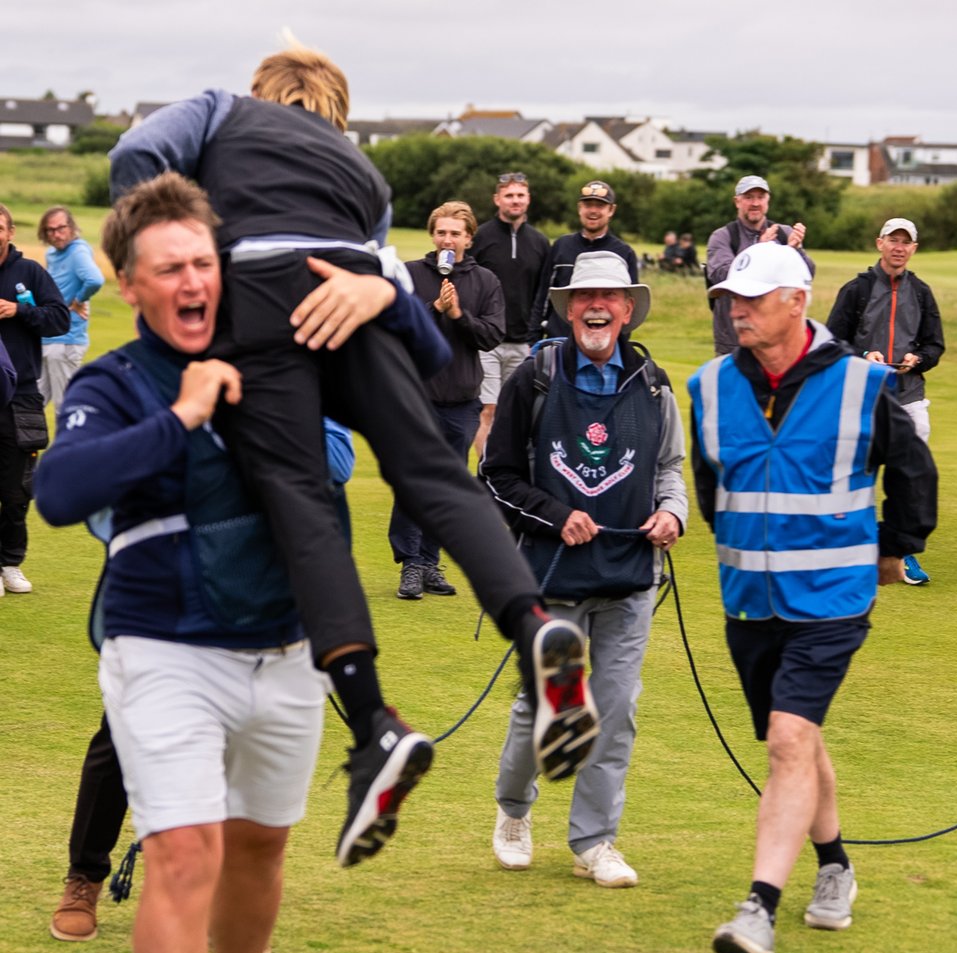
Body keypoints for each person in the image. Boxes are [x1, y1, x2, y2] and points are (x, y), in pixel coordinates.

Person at [109, 41, 600, 823]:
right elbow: (429, 343)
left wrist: (163, 249)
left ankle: (373, 721)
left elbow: (137, 153)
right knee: (436, 477)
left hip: (263, 292)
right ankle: (535, 630)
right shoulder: (363, 172)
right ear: (336, 109)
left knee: (302, 505)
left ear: (262, 93)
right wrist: (379, 294)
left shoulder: (218, 110)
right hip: (353, 293)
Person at [35, 174, 328, 953]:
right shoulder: (113, 384)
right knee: (183, 854)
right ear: (129, 284)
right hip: (161, 646)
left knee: (260, 850)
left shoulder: (272, 364)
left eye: (204, 262)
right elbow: (61, 492)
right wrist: (186, 415)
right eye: (172, 268)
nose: (194, 280)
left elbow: (339, 454)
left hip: (285, 646)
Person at [688, 242, 937, 953]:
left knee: (788, 740)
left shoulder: (863, 383)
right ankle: (836, 863)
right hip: (748, 600)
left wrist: (894, 545)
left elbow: (913, 473)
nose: (737, 310)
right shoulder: (707, 385)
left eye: (753, 299)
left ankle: (757, 909)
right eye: (731, 299)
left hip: (832, 597)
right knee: (796, 735)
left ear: (797, 302)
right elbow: (712, 487)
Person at [49, 420, 356, 943]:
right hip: (163, 597)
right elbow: (95, 489)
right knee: (118, 744)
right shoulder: (150, 377)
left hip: (258, 598)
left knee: (239, 755)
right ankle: (84, 878)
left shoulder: (294, 376)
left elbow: (337, 460)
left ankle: (223, 901)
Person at [482, 251, 687, 886]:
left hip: (629, 575)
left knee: (615, 709)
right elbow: (497, 475)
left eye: (610, 296)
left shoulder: (654, 382)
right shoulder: (535, 376)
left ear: (628, 309)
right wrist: (554, 513)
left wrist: (672, 515)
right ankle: (514, 810)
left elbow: (668, 469)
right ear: (570, 308)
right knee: (545, 706)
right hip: (549, 576)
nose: (597, 306)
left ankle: (595, 841)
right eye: (584, 296)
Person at [390, 200, 505, 600]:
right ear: (432, 235)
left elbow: (492, 335)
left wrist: (458, 316)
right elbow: (395, 328)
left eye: (456, 233)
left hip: (461, 399)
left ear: (469, 238)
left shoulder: (486, 281)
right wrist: (433, 309)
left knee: (449, 486)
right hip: (415, 397)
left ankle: (430, 562)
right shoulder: (408, 274)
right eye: (441, 232)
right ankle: (410, 565)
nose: (447, 239)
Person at [826, 217, 944, 585]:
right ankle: (847, 553)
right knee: (853, 477)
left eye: (905, 242)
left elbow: (934, 344)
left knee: (910, 482)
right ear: (879, 243)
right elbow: (831, 341)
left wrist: (918, 359)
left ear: (913, 249)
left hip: (908, 397)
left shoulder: (922, 292)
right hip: (860, 397)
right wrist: (864, 354)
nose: (898, 247)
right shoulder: (856, 290)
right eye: (892, 239)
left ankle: (901, 555)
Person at [0, 203, 69, 596]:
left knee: (16, 489)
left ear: (9, 232)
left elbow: (60, 318)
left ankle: (10, 563)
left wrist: (18, 311)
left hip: (21, 395)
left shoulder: (29, 274)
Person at [470, 172, 549, 458]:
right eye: (509, 195)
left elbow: (543, 293)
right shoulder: (480, 237)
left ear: (528, 199)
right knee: (488, 408)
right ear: (497, 199)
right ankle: (486, 473)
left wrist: (534, 337)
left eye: (520, 195)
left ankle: (509, 476)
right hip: (487, 341)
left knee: (516, 412)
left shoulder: (540, 242)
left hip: (523, 343)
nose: (515, 200)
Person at [705, 175, 814, 355]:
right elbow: (721, 275)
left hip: (777, 340)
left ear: (768, 201)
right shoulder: (723, 236)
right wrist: (758, 250)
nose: (755, 203)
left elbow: (807, 276)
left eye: (760, 197)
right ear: (737, 202)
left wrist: (796, 250)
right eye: (748, 197)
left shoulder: (783, 233)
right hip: (734, 340)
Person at [528, 180, 639, 342]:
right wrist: (533, 338)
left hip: (602, 344)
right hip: (559, 341)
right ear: (580, 208)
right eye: (588, 205)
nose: (593, 211)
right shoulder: (561, 246)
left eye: (600, 206)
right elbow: (544, 296)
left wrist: (620, 344)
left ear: (611, 210)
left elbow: (627, 304)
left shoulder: (623, 252)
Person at [37, 205, 105, 412]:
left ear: (72, 227)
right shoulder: (52, 253)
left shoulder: (78, 251)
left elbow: (95, 279)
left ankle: (71, 445)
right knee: (31, 403)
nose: (57, 235)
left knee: (65, 408)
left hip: (66, 340)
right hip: (47, 337)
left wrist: (78, 300)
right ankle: (19, 445)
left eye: (61, 228)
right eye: (51, 230)